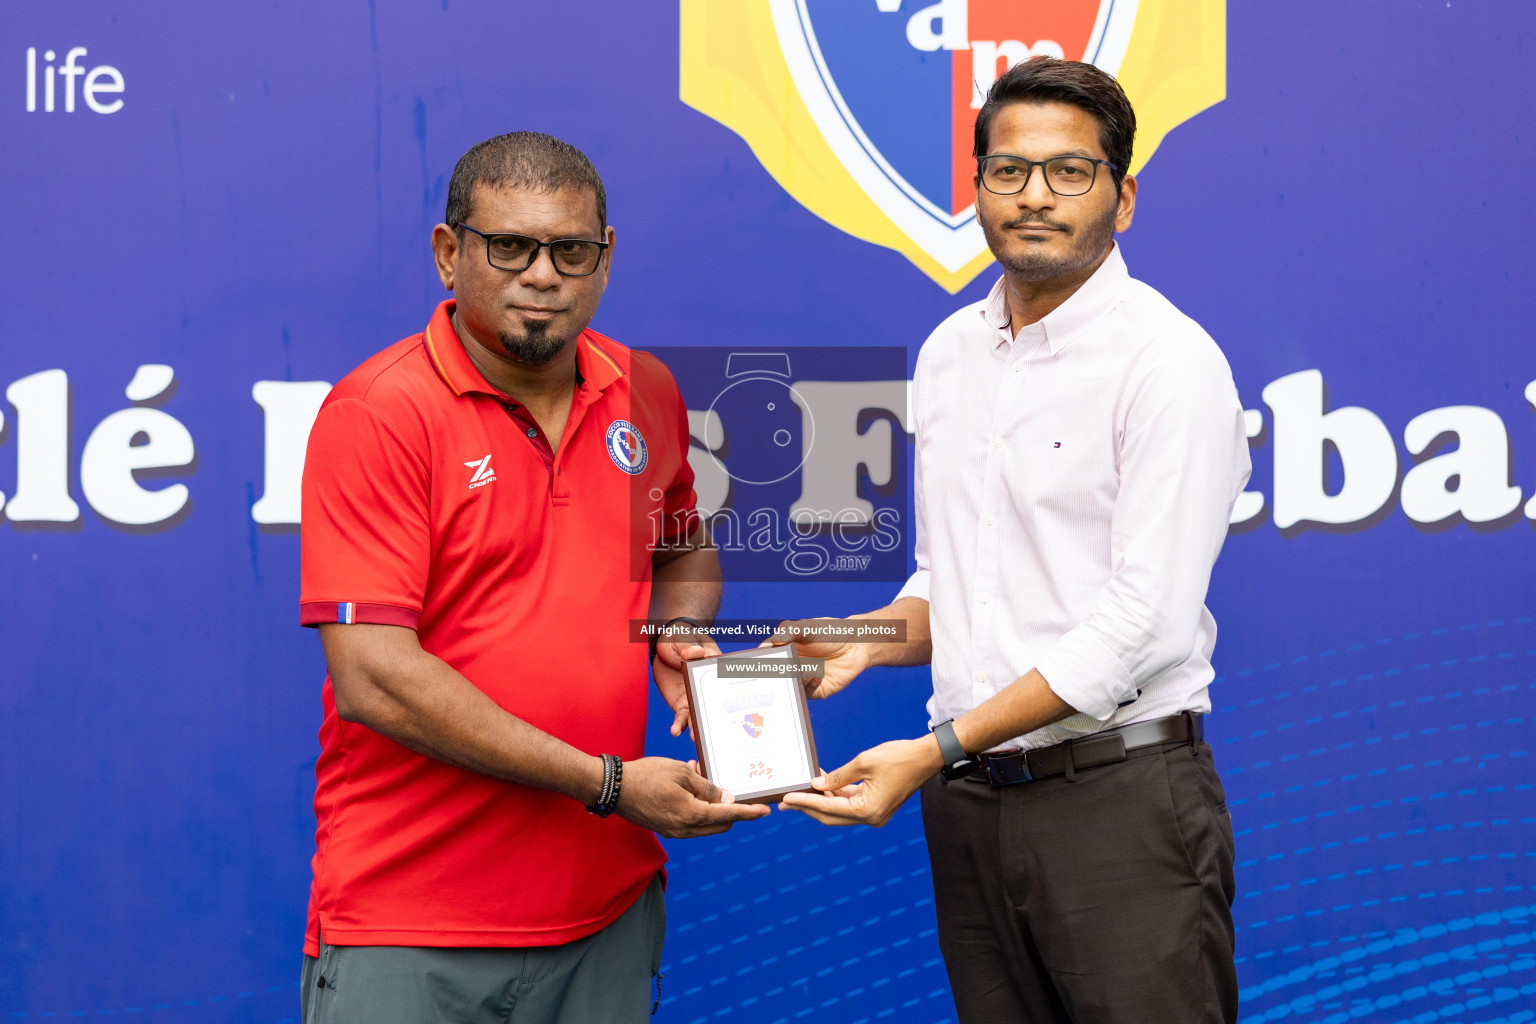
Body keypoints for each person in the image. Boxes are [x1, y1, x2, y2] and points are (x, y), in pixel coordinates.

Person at [771, 59, 1252, 1023]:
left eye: (1070, 172)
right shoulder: (951, 353)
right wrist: (861, 640)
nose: (1034, 196)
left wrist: (929, 748)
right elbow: (960, 580)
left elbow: (1143, 627)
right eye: (1008, 171)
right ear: (979, 187)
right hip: (970, 807)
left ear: (1123, 198)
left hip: (1119, 800)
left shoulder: (1170, 363)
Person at [296, 131, 764, 1024]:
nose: (541, 273)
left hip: (606, 912)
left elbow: (683, 549)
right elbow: (373, 678)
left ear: (605, 257)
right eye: (509, 246)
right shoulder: (378, 412)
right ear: (449, 253)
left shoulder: (645, 387)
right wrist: (611, 785)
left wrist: (678, 623)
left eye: (570, 250)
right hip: (413, 922)